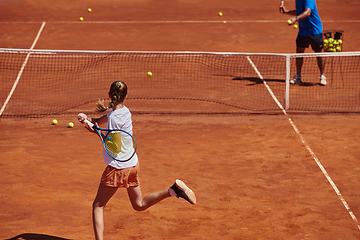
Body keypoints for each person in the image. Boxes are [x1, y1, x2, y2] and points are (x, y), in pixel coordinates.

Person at [77, 81, 196, 240]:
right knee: (139, 204)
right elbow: (99, 121)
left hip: (118, 168)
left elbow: (113, 146)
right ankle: (174, 191)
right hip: (132, 163)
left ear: (109, 95)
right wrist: (86, 119)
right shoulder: (125, 111)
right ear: (126, 97)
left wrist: (95, 132)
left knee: (98, 206)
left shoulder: (113, 118)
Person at [280, 0, 327, 86]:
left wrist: (296, 19)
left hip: (314, 30)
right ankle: (298, 76)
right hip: (303, 31)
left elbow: (308, 12)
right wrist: (286, 12)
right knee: (299, 53)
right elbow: (299, 12)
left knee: (318, 54)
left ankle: (322, 76)